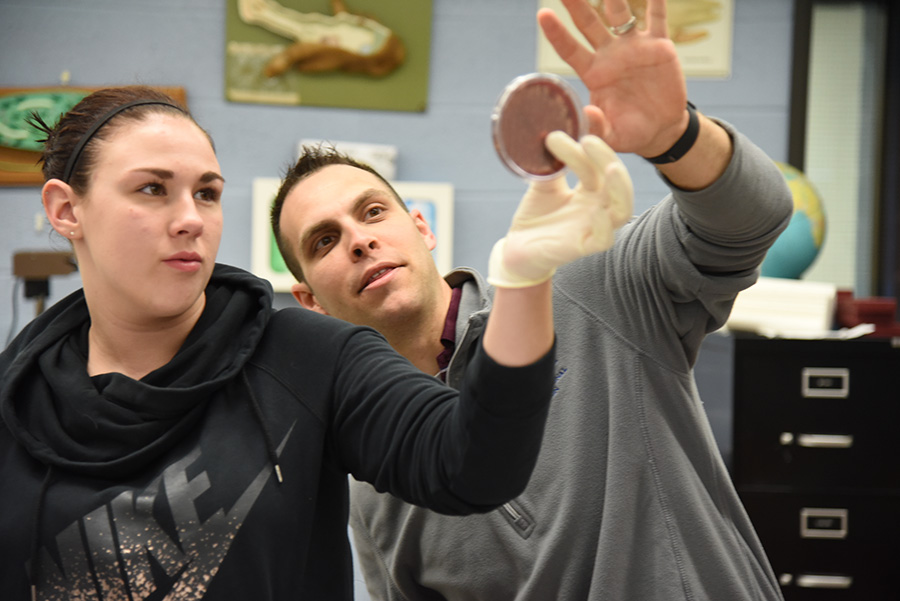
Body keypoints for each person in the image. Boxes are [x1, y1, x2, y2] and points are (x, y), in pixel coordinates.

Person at [0, 83, 622, 600]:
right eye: (152, 189)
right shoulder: (16, 394)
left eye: (208, 193)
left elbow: (473, 462)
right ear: (66, 210)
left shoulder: (305, 356)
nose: (191, 216)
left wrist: (521, 281)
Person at [270, 0, 795, 599]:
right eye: (325, 240)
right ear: (309, 300)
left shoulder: (585, 283)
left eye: (372, 212)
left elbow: (752, 221)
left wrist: (676, 137)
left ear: (422, 228)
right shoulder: (375, 474)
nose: (360, 240)